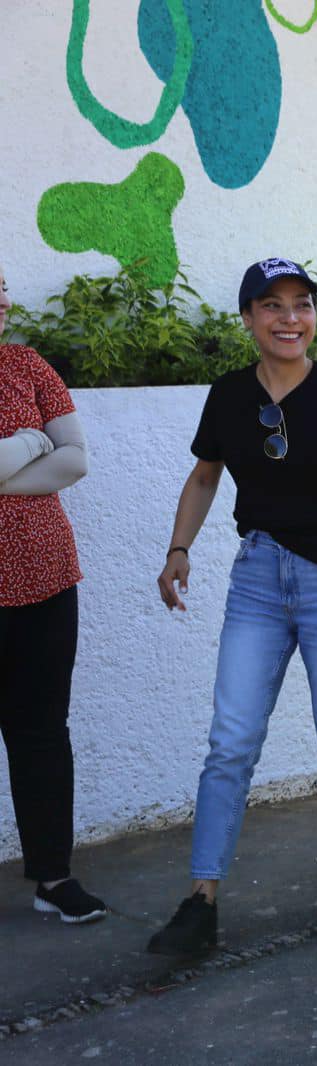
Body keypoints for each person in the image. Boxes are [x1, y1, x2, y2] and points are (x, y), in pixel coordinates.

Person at [148, 258, 317, 955]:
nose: (290, 318)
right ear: (248, 318)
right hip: (258, 579)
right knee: (229, 743)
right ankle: (201, 901)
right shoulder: (229, 394)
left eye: (302, 304)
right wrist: (179, 549)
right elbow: (205, 477)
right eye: (272, 305)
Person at [0, 262, 105, 925]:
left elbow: (75, 459)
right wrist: (28, 443)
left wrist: (17, 450)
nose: (0, 303)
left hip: (44, 583)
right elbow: (51, 455)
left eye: (0, 291)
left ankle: (53, 878)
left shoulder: (27, 366)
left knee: (41, 733)